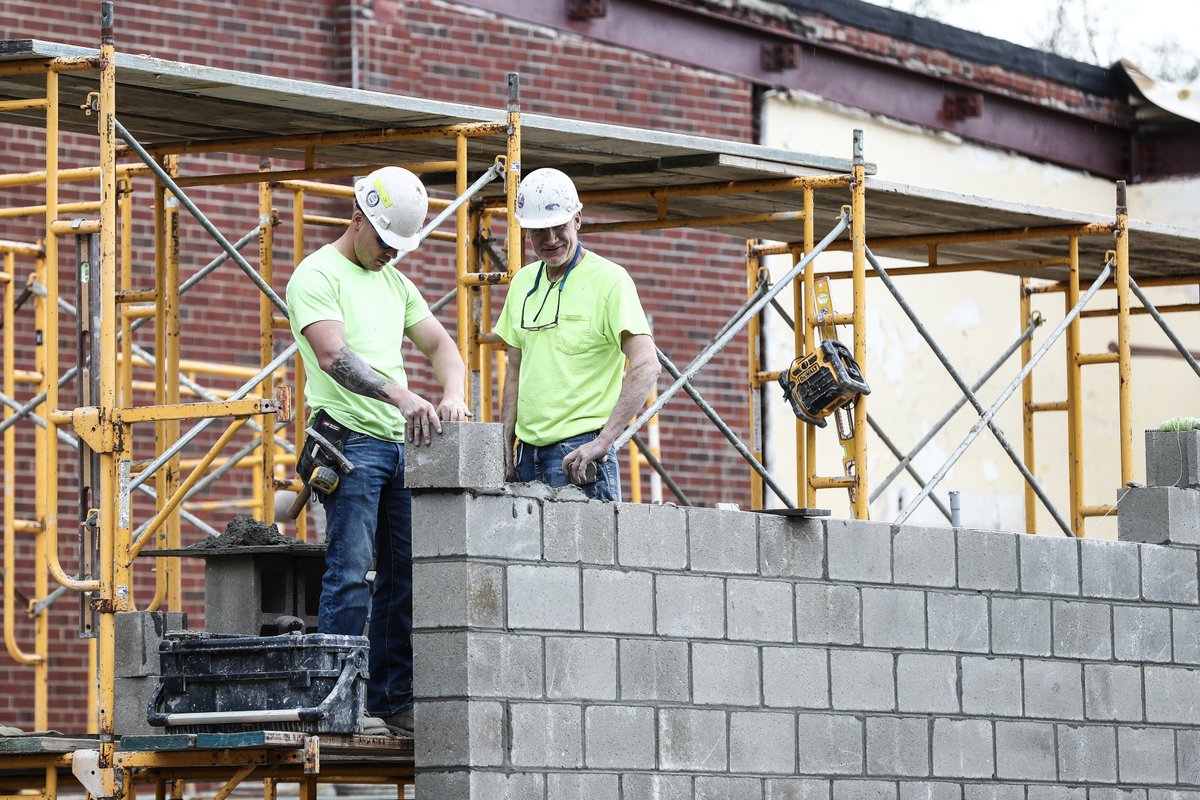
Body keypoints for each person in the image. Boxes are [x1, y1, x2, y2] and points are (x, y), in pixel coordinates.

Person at [286, 166, 468, 736]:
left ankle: (392, 699)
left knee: (402, 575)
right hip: (349, 444)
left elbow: (441, 344)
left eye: (400, 247)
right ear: (358, 218)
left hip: (398, 446)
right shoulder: (316, 275)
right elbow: (331, 355)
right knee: (350, 574)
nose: (392, 254)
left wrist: (455, 395)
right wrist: (403, 394)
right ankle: (336, 703)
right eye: (386, 242)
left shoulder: (395, 283)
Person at [494, 168, 659, 501]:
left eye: (560, 227)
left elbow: (647, 365)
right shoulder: (523, 284)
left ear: (578, 220)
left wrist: (603, 441)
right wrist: (504, 445)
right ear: (526, 231)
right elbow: (514, 372)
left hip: (580, 455)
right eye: (540, 231)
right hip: (526, 456)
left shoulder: (610, 280)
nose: (551, 239)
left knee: (591, 554)